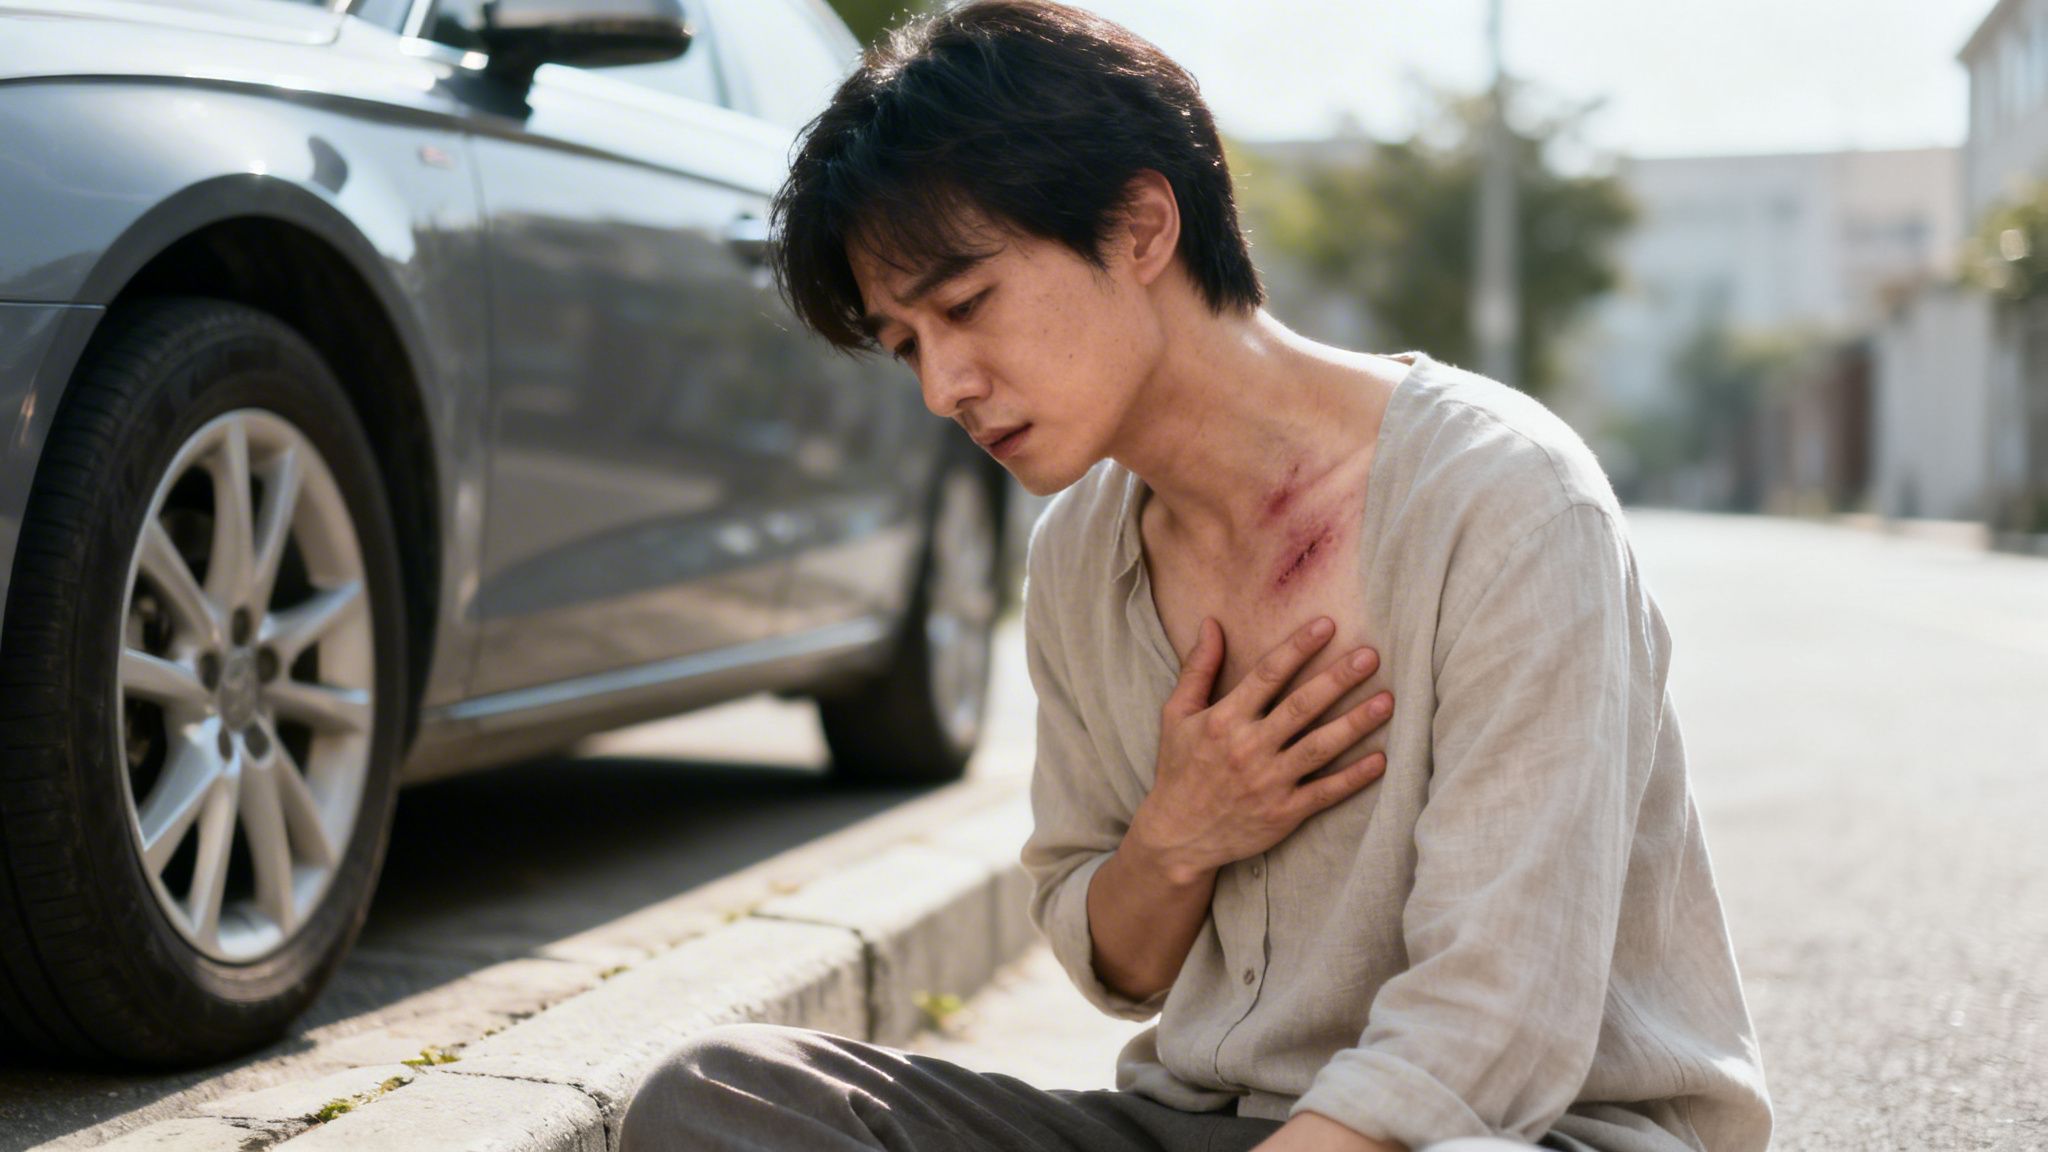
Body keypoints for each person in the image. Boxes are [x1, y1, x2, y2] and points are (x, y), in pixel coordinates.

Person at [618, 2, 1772, 1149]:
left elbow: (1494, 1024)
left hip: (1522, 1131)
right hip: (1207, 1125)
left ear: (1137, 227)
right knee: (718, 1096)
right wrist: (1175, 834)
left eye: (965, 306)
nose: (943, 387)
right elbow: (1112, 963)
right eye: (907, 342)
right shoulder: (1079, 549)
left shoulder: (1503, 497)